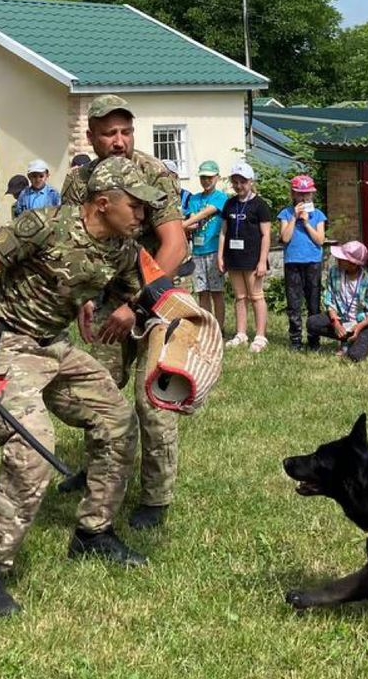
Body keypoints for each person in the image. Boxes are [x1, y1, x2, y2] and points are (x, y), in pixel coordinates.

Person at [0, 156, 166, 618]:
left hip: (55, 347)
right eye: (137, 207)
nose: (143, 216)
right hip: (6, 345)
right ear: (103, 204)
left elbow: (137, 290)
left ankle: (94, 533)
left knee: (117, 420)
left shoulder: (123, 249)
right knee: (32, 451)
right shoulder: (43, 225)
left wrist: (115, 309)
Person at [59, 95, 190, 531]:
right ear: (93, 136)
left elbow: (176, 244)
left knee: (152, 399)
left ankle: (156, 496)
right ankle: (98, 472)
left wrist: (137, 305)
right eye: (110, 133)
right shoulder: (79, 181)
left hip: (156, 301)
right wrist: (84, 297)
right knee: (98, 393)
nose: (119, 141)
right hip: (106, 300)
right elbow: (72, 245)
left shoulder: (154, 174)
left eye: (126, 132)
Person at [220, 162, 273, 351]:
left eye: (242, 182)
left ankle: (260, 336)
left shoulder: (260, 205)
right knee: (240, 296)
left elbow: (266, 234)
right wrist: (221, 256)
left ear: (250, 182)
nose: (238, 186)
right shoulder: (230, 203)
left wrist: (262, 261)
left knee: (256, 296)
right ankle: (241, 333)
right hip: (234, 258)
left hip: (253, 258)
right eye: (235, 182)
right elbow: (223, 232)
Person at [310, 241, 368, 363]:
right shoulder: (334, 273)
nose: (338, 259)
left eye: (342, 258)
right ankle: (345, 339)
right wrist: (336, 322)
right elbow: (329, 299)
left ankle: (366, 341)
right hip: (341, 319)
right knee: (312, 323)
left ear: (353, 264)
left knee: (356, 356)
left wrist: (359, 327)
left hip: (362, 323)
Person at [278, 175, 328, 350]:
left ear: (312, 195)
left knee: (313, 302)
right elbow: (285, 238)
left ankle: (314, 340)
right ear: (293, 194)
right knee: (294, 303)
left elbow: (320, 240)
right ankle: (296, 339)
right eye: (300, 194)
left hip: (313, 262)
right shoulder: (286, 213)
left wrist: (306, 222)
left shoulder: (319, 215)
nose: (304, 198)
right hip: (292, 262)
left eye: (307, 194)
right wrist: (294, 218)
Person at [182, 160, 229, 326]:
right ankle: (207, 326)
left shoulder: (221, 197)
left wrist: (183, 225)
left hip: (214, 249)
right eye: (203, 177)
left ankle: (219, 326)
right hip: (198, 251)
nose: (206, 181)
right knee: (202, 292)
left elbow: (204, 214)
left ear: (217, 178)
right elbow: (191, 218)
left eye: (209, 177)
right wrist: (188, 225)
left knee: (217, 292)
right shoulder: (194, 199)